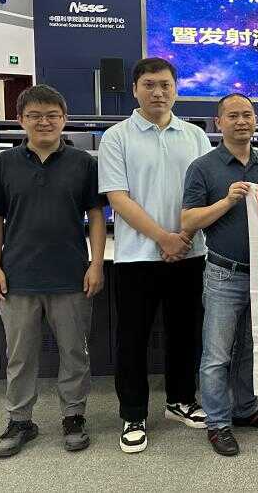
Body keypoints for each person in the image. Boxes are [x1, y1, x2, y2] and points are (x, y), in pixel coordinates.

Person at [0, 84, 106, 458]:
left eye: (52, 115)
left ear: (64, 119)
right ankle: (20, 421)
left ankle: (74, 417)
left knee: (74, 352)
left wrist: (96, 264)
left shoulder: (84, 164)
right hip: (18, 277)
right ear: (21, 120)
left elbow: (96, 217)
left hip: (71, 276)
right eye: (34, 115)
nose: (44, 122)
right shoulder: (4, 164)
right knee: (20, 356)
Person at [97, 58, 214, 454]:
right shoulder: (116, 137)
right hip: (137, 257)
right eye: (149, 85)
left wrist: (183, 237)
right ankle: (133, 414)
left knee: (185, 333)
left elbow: (206, 193)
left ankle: (181, 400)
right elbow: (118, 198)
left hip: (190, 252)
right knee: (133, 338)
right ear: (135, 89)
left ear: (176, 89)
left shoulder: (195, 136)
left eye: (165, 84)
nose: (158, 92)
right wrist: (164, 238)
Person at [182, 93, 258, 457]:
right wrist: (227, 201)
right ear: (219, 122)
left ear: (255, 120)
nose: (241, 121)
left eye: (247, 115)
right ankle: (217, 423)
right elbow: (188, 220)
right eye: (233, 116)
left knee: (249, 349)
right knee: (217, 354)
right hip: (223, 274)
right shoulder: (203, 167)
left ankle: (244, 409)